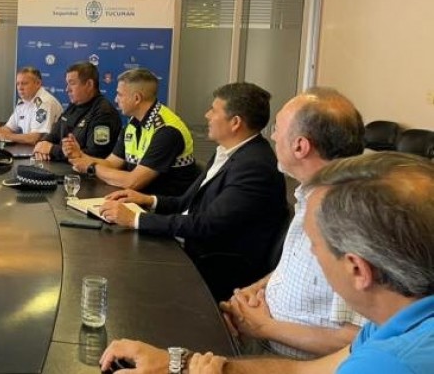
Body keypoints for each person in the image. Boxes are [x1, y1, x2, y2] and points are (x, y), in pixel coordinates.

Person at [100, 152, 434, 374]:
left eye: (314, 245)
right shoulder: (397, 317)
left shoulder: (391, 363)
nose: (310, 253)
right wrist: (181, 364)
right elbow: (306, 371)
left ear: (357, 270)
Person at [99, 82, 288, 300]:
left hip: (213, 266)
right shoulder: (228, 152)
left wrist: (135, 219)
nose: (207, 115)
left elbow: (207, 225)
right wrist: (147, 200)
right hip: (192, 246)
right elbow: (186, 203)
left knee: (119, 275)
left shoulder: (254, 166)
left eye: (213, 110)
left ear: (235, 122)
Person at [219, 88, 366, 359]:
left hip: (290, 361)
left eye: (277, 129)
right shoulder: (309, 193)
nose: (273, 136)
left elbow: (355, 340)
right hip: (263, 336)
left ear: (300, 146)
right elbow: (296, 269)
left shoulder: (350, 220)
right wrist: (254, 291)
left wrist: (264, 327)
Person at [65, 68, 199, 195]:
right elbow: (112, 164)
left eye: (120, 94)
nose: (116, 99)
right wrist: (81, 156)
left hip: (163, 206)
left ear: (137, 98)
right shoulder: (133, 123)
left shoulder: (167, 131)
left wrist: (91, 167)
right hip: (137, 199)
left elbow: (133, 182)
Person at [33, 61, 121, 161]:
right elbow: (54, 134)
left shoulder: (104, 113)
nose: (67, 89)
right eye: (67, 84)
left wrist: (52, 150)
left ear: (89, 84)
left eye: (72, 83)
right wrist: (42, 144)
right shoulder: (74, 105)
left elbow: (95, 155)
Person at [0, 66, 63, 145]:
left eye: (24, 83)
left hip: (49, 151)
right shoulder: (23, 102)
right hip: (30, 149)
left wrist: (4, 135)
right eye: (18, 84)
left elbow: (34, 139)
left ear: (38, 83)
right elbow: (9, 128)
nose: (20, 88)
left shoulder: (45, 102)